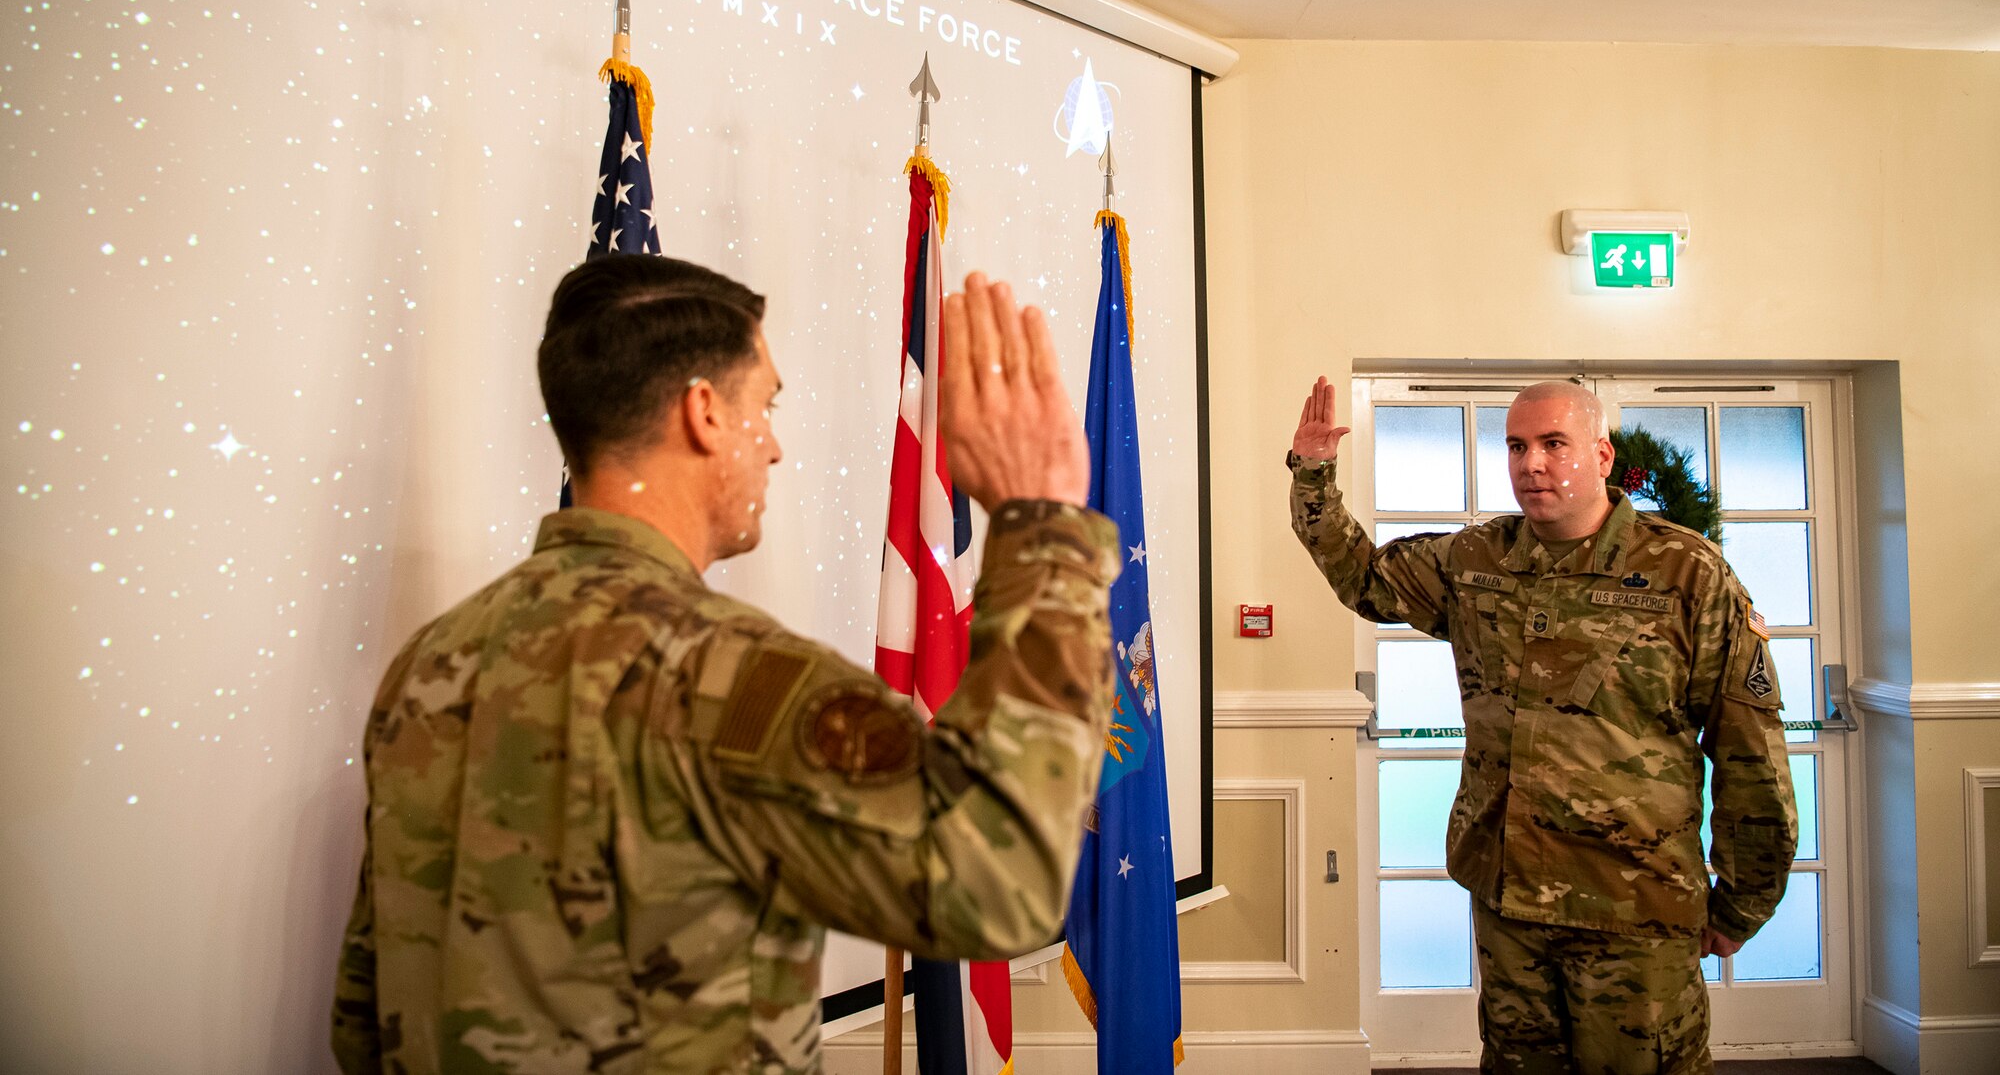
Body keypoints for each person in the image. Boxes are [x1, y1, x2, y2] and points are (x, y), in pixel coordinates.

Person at [330, 254, 1121, 1074]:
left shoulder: (430, 663)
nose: (773, 445)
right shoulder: (735, 677)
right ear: (704, 411)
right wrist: (1044, 528)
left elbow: (363, 1012)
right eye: (764, 403)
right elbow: (1001, 883)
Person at [1289, 377, 1796, 1074]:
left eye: (1554, 443)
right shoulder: (1475, 561)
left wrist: (1742, 902)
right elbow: (1366, 578)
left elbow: (1749, 752)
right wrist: (1313, 473)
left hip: (1634, 911)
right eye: (1517, 445)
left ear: (1602, 454)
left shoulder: (1687, 574)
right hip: (1512, 904)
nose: (1532, 463)